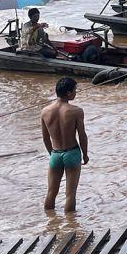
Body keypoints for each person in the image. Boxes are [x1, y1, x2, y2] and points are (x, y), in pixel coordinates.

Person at [40, 77, 89, 212]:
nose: (75, 93)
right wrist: (85, 154)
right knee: (70, 195)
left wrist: (53, 154)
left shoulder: (45, 111)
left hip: (55, 154)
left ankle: (50, 224)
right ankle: (70, 226)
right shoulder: (76, 111)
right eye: (75, 90)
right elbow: (82, 135)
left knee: (51, 193)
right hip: (72, 153)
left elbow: (45, 138)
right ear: (68, 93)